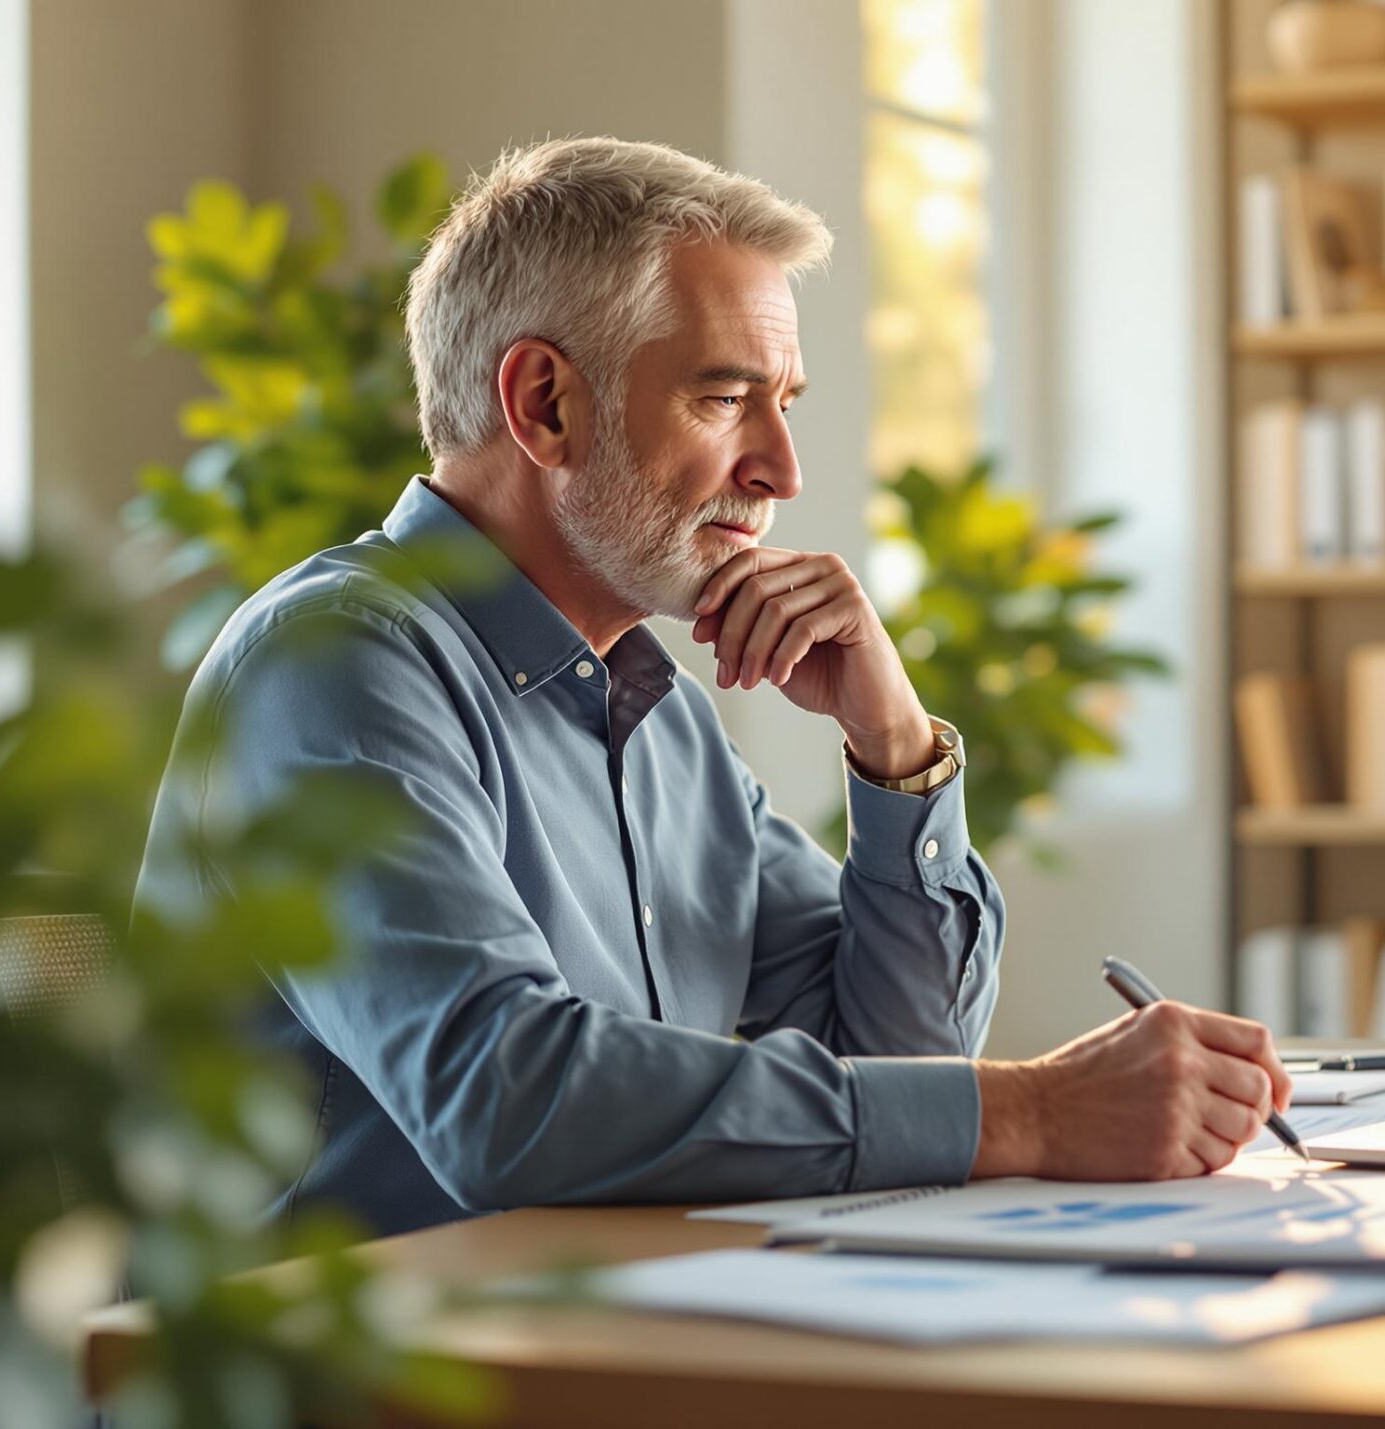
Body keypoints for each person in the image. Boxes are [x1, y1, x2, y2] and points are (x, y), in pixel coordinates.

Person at [135, 137, 1290, 1237]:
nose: (781, 471)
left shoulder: (657, 713)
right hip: (349, 1344)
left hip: (604, 1315)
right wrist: (1031, 1113)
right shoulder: (337, 663)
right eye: (725, 399)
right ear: (543, 404)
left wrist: (894, 747)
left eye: (784, 404)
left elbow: (900, 1055)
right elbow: (504, 1097)